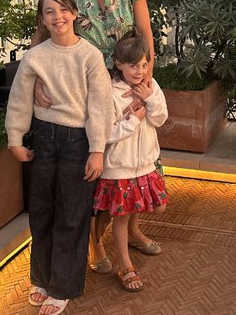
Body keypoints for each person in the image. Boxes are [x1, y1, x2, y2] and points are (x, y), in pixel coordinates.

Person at [32, 0, 159, 274]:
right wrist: (38, 77)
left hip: (127, 78)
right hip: (83, 88)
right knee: (99, 169)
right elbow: (44, 33)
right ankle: (95, 245)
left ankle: (133, 229)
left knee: (137, 161)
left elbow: (144, 29)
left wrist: (146, 72)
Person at [6, 0, 115, 315]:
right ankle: (41, 278)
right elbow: (20, 99)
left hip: (77, 142)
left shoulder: (90, 56)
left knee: (71, 215)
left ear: (74, 14)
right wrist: (15, 138)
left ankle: (63, 286)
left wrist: (97, 149)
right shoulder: (35, 57)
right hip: (44, 139)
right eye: (50, 12)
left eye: (64, 10)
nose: (58, 17)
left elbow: (100, 107)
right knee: (42, 212)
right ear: (42, 19)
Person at [92, 33, 169, 292]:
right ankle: (124, 264)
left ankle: (98, 238)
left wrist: (149, 98)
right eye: (133, 65)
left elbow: (160, 119)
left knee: (149, 209)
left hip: (145, 165)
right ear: (118, 64)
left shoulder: (150, 85)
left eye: (144, 64)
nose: (140, 71)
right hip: (119, 168)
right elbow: (104, 134)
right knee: (121, 217)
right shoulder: (109, 92)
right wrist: (132, 121)